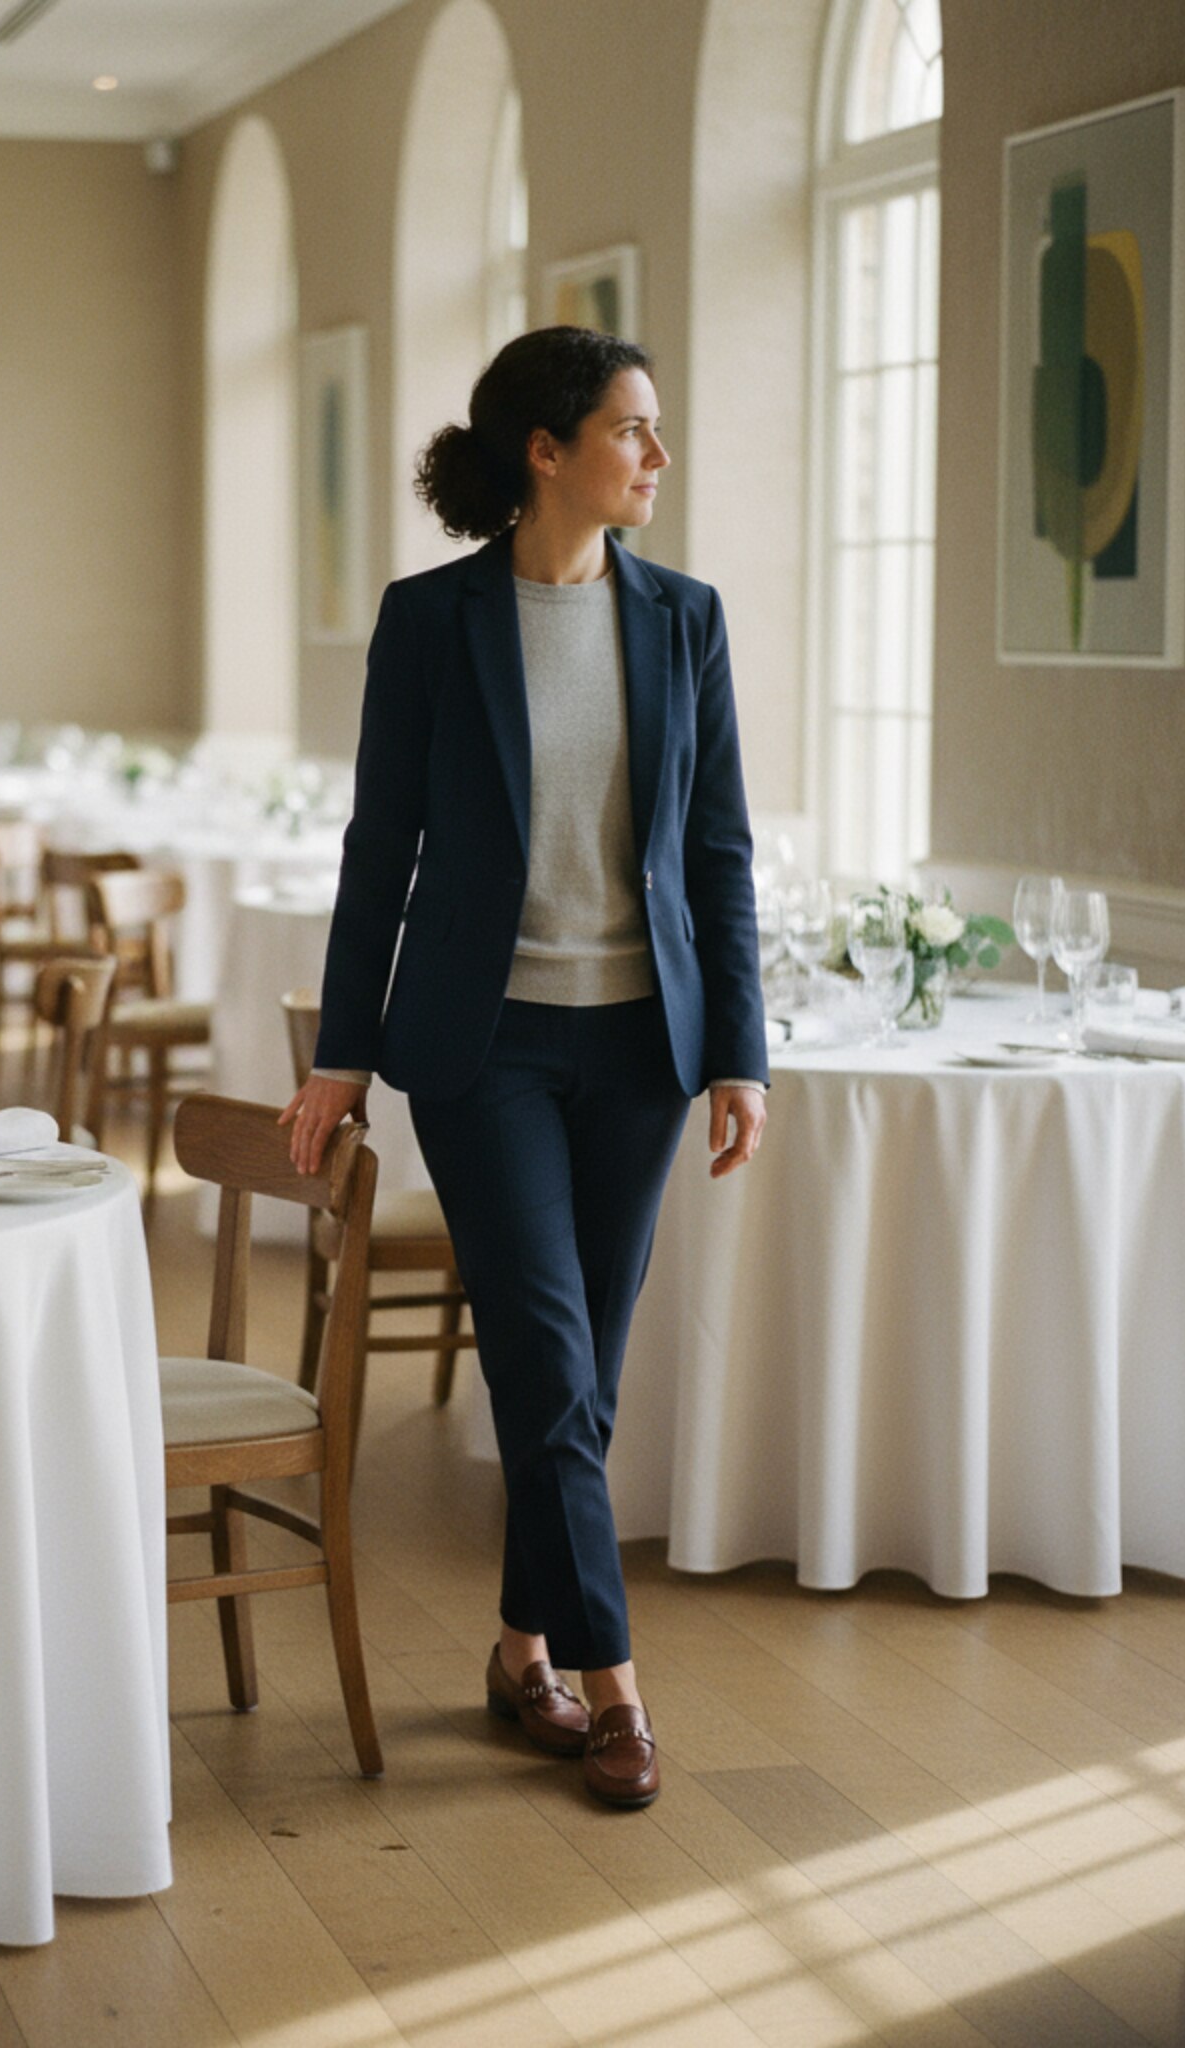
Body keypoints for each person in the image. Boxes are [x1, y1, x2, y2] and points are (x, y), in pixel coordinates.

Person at [279, 326, 768, 1808]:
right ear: (546, 452)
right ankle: (615, 1691)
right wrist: (344, 1051)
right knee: (550, 1358)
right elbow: (381, 847)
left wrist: (740, 1052)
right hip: (480, 1045)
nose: (659, 455)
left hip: (640, 1045)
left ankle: (516, 1650)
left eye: (656, 428)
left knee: (582, 1376)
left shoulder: (685, 618)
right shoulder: (432, 620)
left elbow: (719, 850)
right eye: (632, 429)